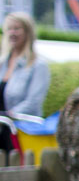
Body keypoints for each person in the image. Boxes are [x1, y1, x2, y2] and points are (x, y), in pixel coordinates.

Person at [1, 12, 51, 153]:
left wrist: (8, 116)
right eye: (9, 29)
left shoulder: (38, 66)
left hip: (21, 132)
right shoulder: (2, 63)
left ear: (28, 32)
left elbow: (33, 102)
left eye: (17, 29)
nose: (12, 33)